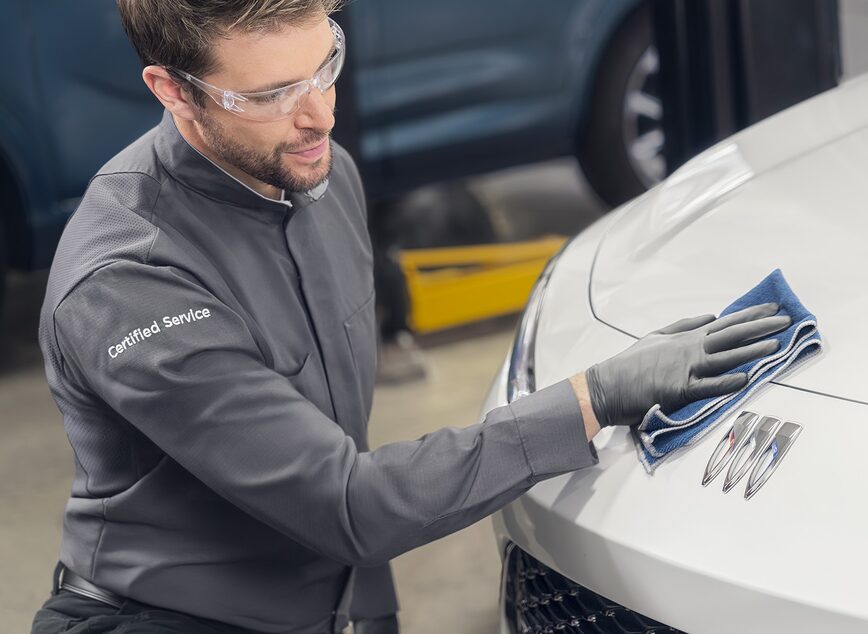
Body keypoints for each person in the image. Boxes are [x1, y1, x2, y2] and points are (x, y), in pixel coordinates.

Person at [31, 1, 791, 633]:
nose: (318, 115)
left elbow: (342, 451)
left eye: (326, 64)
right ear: (172, 90)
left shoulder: (326, 178)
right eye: (269, 96)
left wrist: (374, 617)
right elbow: (348, 501)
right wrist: (593, 397)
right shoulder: (130, 280)